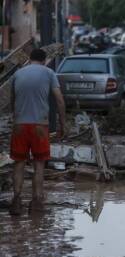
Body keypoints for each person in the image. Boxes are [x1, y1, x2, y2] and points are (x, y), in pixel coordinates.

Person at [9, 49, 66, 215]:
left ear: (29, 58)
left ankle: (17, 201)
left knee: (18, 164)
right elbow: (59, 100)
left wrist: (17, 118)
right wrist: (63, 124)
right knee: (39, 165)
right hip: (40, 127)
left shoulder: (18, 74)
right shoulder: (49, 73)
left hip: (20, 125)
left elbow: (13, 102)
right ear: (45, 60)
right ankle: (36, 203)